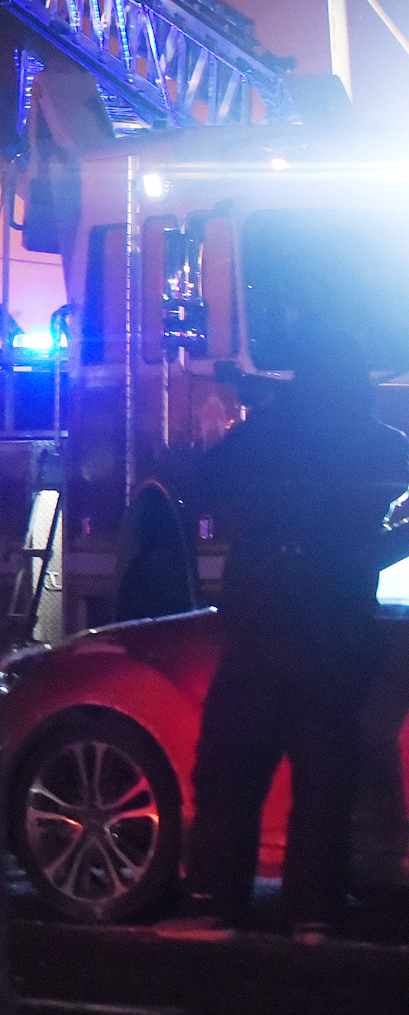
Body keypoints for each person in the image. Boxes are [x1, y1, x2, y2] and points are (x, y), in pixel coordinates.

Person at [169, 327, 409, 940]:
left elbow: (204, 487)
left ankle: (218, 901)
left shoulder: (263, 434)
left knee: (231, 769)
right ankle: (314, 910)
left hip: (261, 618)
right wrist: (370, 554)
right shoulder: (383, 445)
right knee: (325, 777)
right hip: (336, 626)